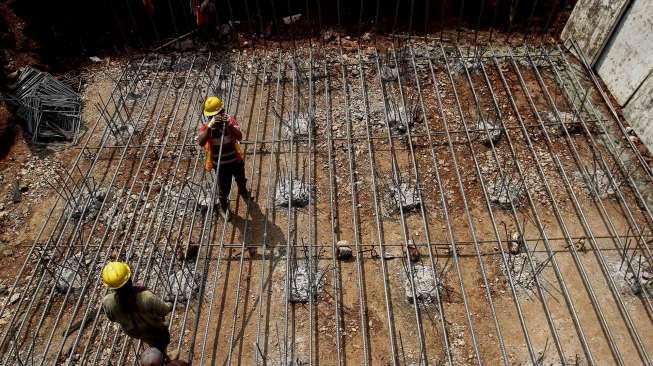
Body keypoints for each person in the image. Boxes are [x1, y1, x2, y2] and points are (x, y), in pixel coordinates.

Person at [198, 96, 252, 221]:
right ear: (208, 117)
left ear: (222, 112)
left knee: (241, 179)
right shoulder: (207, 128)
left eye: (217, 114)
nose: (215, 118)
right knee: (224, 189)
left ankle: (243, 192)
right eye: (212, 116)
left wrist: (229, 126)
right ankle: (223, 207)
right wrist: (210, 127)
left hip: (236, 161)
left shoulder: (230, 122)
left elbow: (239, 136)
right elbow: (201, 142)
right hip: (221, 165)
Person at [101, 262, 173, 355]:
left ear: (111, 288)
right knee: (161, 344)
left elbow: (112, 318)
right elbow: (164, 310)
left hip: (135, 332)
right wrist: (170, 304)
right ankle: (164, 357)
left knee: (150, 342)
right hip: (156, 329)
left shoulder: (108, 302)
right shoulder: (146, 297)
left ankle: (159, 354)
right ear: (130, 279)